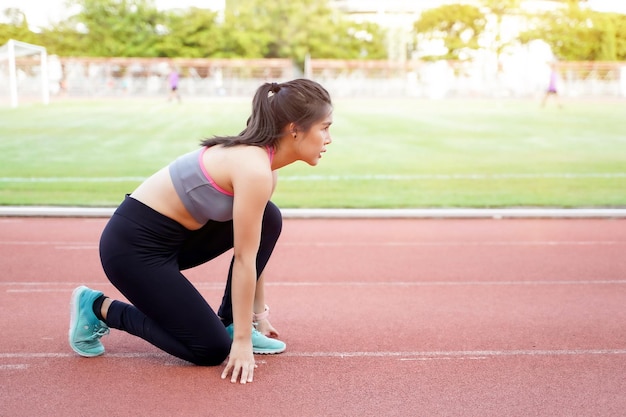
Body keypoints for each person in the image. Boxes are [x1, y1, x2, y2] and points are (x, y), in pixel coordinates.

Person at [68, 79, 333, 384]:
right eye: (324, 127)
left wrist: (257, 318)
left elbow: (254, 246)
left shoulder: (266, 168)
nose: (329, 138)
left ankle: (233, 322)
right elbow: (246, 260)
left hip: (176, 241)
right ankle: (99, 308)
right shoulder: (253, 168)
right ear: (294, 128)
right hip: (132, 250)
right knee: (209, 348)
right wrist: (242, 344)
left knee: (268, 218)